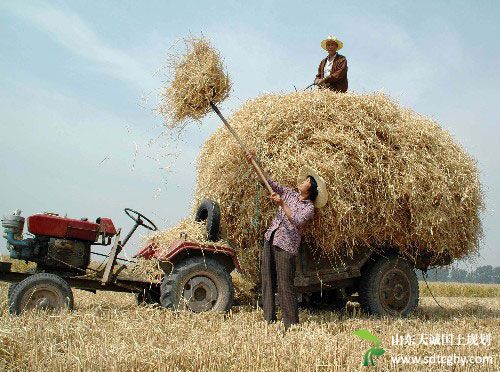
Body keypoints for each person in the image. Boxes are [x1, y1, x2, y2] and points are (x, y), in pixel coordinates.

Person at [245, 150, 328, 331]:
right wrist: (254, 162)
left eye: (306, 181)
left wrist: (282, 204)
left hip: (286, 245)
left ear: (311, 189)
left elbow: (297, 220)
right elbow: (269, 183)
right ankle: (269, 319)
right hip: (271, 237)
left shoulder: (309, 208)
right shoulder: (289, 193)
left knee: (285, 285)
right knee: (267, 280)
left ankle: (291, 324)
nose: (302, 181)